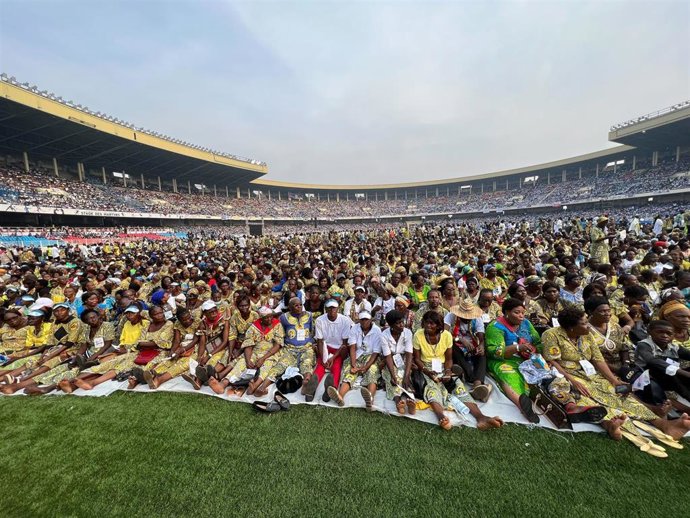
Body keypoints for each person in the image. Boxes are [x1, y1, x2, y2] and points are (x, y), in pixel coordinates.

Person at [542, 308, 690, 441]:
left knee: (618, 392)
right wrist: (574, 381)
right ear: (572, 328)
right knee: (588, 397)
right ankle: (610, 424)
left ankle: (662, 424)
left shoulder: (586, 335)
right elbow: (552, 361)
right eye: (584, 323)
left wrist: (614, 380)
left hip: (590, 373)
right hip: (566, 373)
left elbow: (597, 359)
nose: (588, 326)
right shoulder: (552, 335)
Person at [413, 311, 503, 431]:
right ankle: (441, 417)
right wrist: (427, 371)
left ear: (439, 326)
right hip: (425, 367)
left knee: (459, 386)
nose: (428, 326)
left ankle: (481, 417)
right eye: (426, 323)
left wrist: (448, 371)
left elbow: (449, 359)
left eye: (432, 324)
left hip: (443, 365)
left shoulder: (446, 336)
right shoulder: (418, 335)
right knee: (432, 389)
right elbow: (417, 359)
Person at [485, 298, 542, 423]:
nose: (521, 316)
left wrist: (534, 350)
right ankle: (522, 404)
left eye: (523, 312)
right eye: (517, 312)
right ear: (506, 312)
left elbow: (538, 341)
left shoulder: (526, 323)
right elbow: (493, 351)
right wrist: (517, 348)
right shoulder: (495, 327)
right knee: (511, 377)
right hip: (504, 360)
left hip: (528, 358)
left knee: (544, 373)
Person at [209, 306, 283, 396]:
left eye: (271, 316)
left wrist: (263, 358)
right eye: (266, 317)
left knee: (268, 364)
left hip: (270, 353)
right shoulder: (254, 327)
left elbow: (278, 345)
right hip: (255, 351)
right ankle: (224, 383)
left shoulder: (277, 324)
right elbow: (248, 345)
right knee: (242, 362)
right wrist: (248, 361)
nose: (269, 319)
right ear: (261, 319)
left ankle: (255, 386)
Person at [256, 297, 318, 400]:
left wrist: (312, 343)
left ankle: (306, 383)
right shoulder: (283, 318)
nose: (299, 307)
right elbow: (281, 333)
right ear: (290, 307)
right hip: (289, 349)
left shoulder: (309, 315)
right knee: (280, 366)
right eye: (296, 305)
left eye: (300, 305)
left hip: (306, 347)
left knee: (307, 363)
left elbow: (312, 330)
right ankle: (262, 387)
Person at [327, 310, 381, 410]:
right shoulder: (355, 328)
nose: (364, 322)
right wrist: (353, 365)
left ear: (371, 320)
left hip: (370, 356)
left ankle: (370, 400)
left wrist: (365, 367)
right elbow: (352, 347)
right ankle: (340, 396)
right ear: (359, 320)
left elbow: (375, 353)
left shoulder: (377, 330)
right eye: (362, 320)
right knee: (348, 371)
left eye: (366, 319)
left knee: (372, 371)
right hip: (357, 355)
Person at [634, 320, 690, 410]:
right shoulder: (644, 345)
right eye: (660, 332)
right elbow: (651, 360)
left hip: (668, 377)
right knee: (667, 372)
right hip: (645, 377)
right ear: (650, 332)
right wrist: (681, 372)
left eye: (669, 334)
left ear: (673, 335)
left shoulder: (673, 347)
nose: (665, 336)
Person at [444, 300, 491, 401]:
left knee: (482, 353)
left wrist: (481, 346)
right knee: (452, 347)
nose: (467, 319)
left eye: (469, 318)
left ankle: (477, 383)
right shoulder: (451, 316)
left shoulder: (477, 318)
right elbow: (444, 334)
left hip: (472, 345)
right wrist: (460, 339)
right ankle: (471, 377)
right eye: (464, 317)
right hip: (455, 343)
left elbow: (481, 338)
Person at [313, 299, 352, 402]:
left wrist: (333, 358)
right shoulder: (320, 320)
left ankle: (331, 389)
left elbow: (344, 343)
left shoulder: (345, 320)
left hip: (339, 349)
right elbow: (320, 341)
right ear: (325, 309)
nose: (332, 310)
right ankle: (312, 387)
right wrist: (325, 358)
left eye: (334, 308)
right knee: (321, 364)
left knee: (337, 364)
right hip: (325, 348)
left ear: (338, 308)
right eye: (329, 308)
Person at [378, 310, 416, 415]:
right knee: (393, 380)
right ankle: (398, 402)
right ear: (391, 325)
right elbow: (388, 356)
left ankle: (411, 401)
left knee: (406, 378)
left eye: (402, 322)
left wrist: (407, 375)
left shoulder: (407, 333)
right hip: (390, 360)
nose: (401, 325)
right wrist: (392, 375)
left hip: (404, 359)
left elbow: (409, 354)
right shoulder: (384, 335)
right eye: (398, 323)